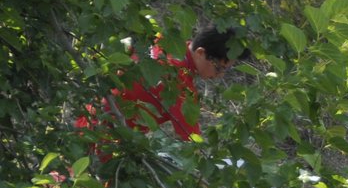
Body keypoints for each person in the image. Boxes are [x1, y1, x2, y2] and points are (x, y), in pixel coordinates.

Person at [79, 23, 244, 141]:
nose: (220, 76)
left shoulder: (163, 39)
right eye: (219, 68)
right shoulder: (180, 85)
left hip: (88, 118)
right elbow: (193, 144)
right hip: (105, 140)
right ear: (201, 53)